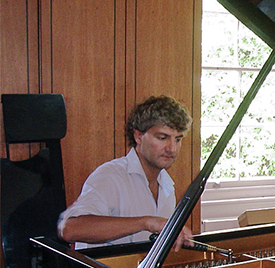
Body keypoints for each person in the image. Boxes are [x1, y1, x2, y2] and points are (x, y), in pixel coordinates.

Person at [58, 95, 193, 251]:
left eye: (177, 139)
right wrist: (147, 222)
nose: (172, 149)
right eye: (162, 138)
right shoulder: (110, 176)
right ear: (138, 136)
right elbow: (69, 229)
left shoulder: (167, 186)